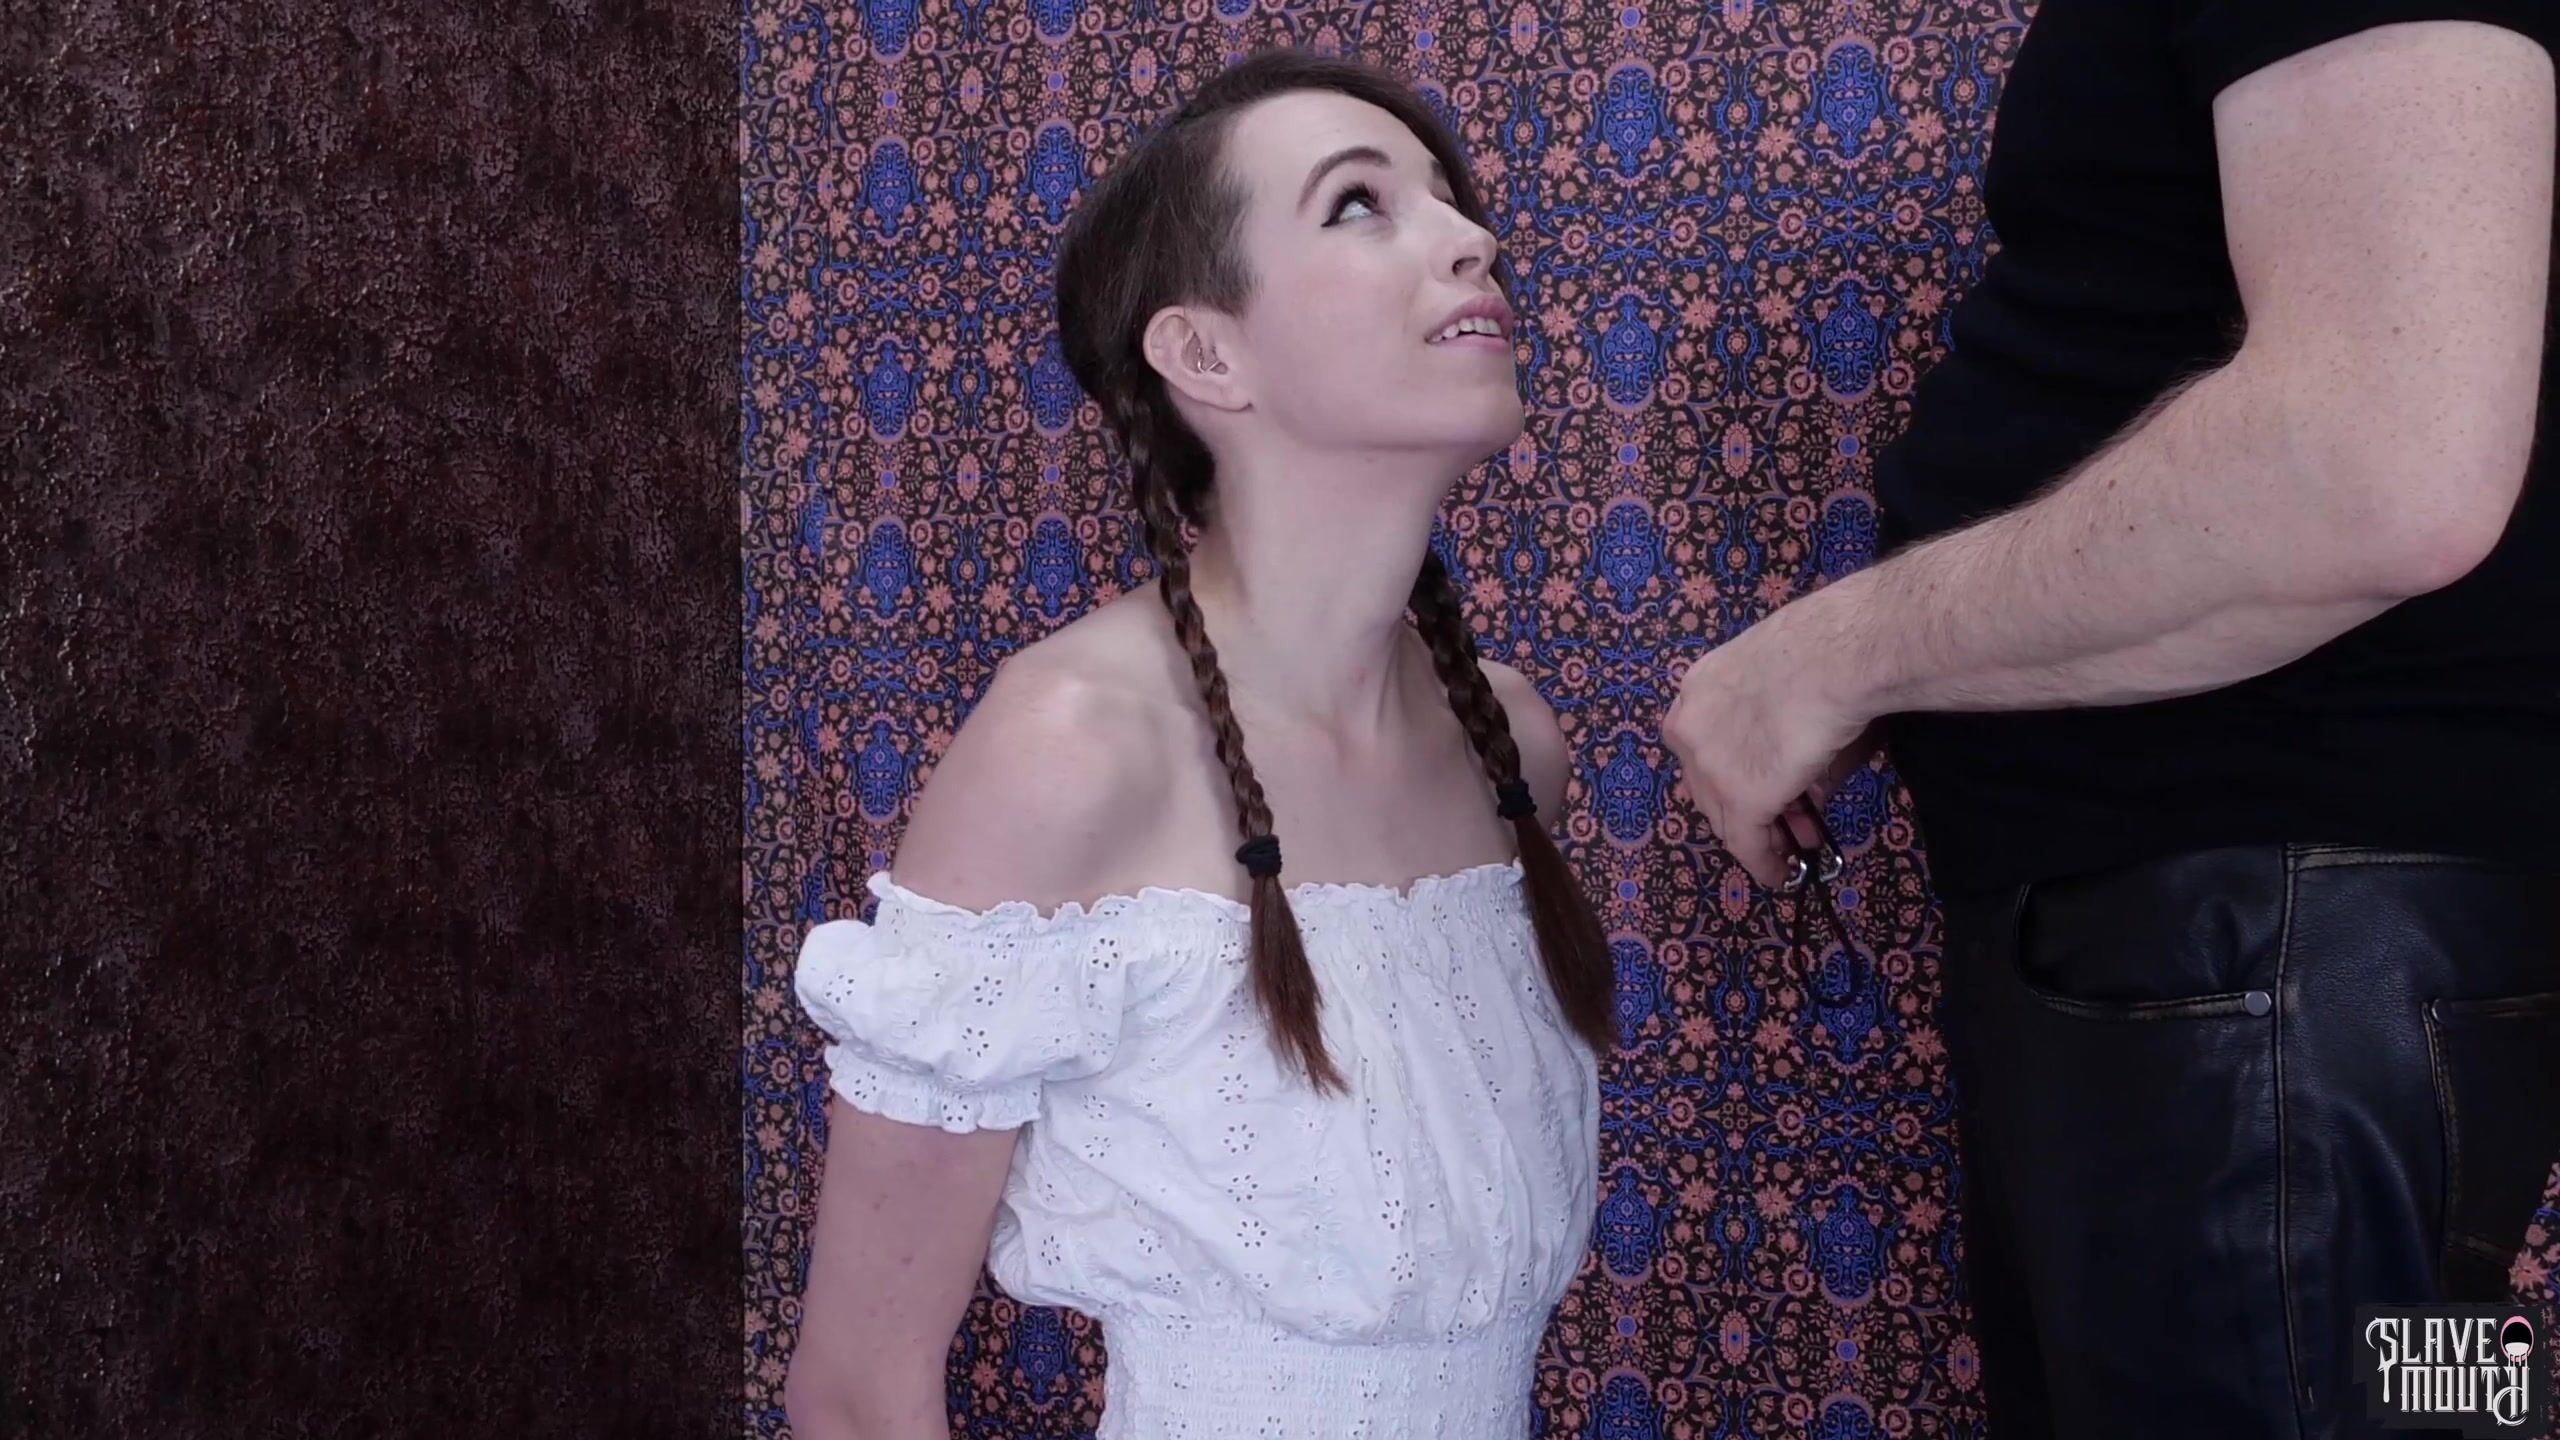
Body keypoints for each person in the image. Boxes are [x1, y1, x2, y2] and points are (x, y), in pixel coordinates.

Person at [1662, 3, 2557, 1436]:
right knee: (2408, 1397)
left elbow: (2386, 470)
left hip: (2263, 978)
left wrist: (1839, 655)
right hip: (2287, 974)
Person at [784, 50, 1615, 1440]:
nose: (1472, 239)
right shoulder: (1071, 749)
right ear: (1206, 355)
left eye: (1449, 198)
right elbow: (858, 1395)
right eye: (1360, 205)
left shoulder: (1509, 748)